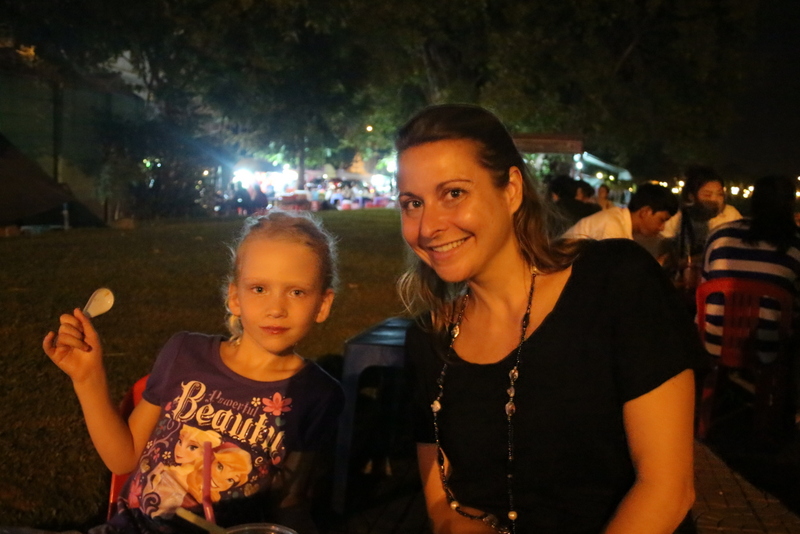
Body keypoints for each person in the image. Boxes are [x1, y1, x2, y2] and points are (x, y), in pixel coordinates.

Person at [396, 104, 701, 534]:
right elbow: (446, 507)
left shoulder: (615, 283)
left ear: (511, 190)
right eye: (413, 203)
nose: (428, 226)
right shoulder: (431, 337)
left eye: (454, 194)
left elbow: (667, 489)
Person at [42, 211, 344, 534]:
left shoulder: (317, 395)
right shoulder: (185, 354)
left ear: (323, 304)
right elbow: (123, 458)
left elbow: (289, 502)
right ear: (235, 297)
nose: (276, 309)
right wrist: (87, 379)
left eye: (296, 292)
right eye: (259, 289)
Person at [564, 183, 678, 242]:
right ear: (645, 212)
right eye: (662, 220)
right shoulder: (613, 227)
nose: (662, 228)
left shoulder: (620, 221)